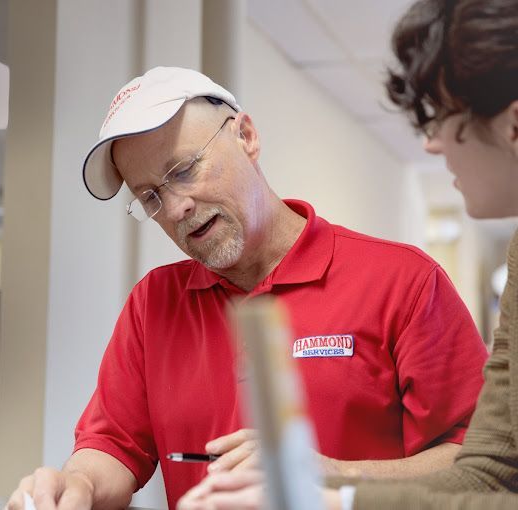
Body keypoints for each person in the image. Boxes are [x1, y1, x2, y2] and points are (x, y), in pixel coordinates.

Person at [5, 66, 488, 510]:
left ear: (247, 137)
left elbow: (478, 464)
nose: (175, 208)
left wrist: (331, 475)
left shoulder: (402, 280)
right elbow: (113, 446)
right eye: (150, 196)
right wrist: (79, 486)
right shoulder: (153, 303)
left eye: (183, 170)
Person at [176, 0, 518, 508]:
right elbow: (490, 470)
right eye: (150, 196)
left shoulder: (407, 278)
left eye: (444, 116)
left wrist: (332, 500)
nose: (431, 144)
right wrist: (316, 484)